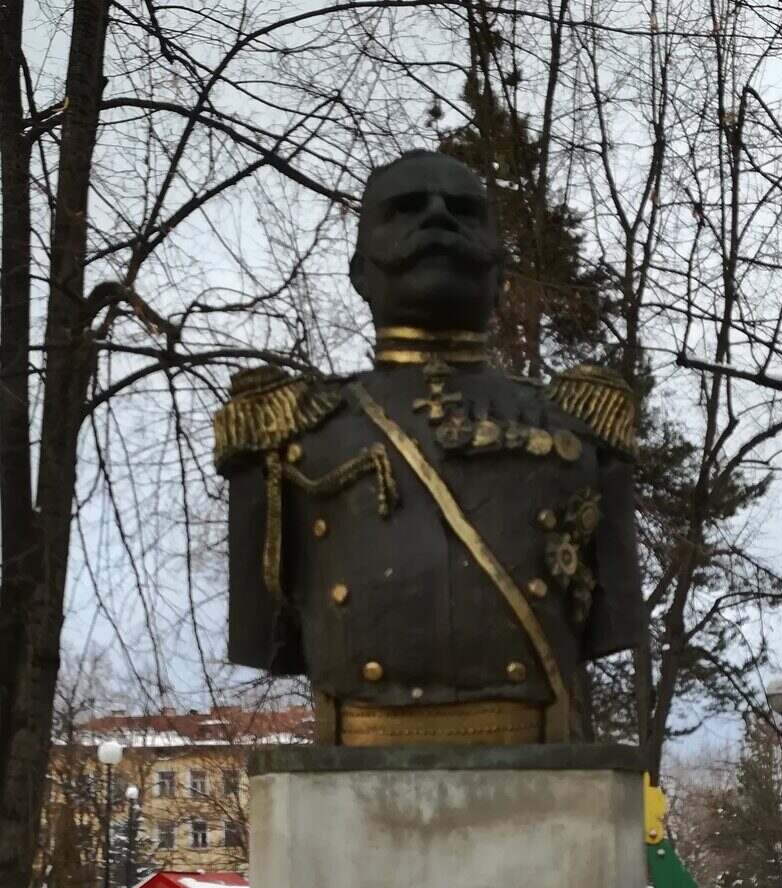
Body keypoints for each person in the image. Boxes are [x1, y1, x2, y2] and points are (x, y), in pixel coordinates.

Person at [214, 150, 645, 747]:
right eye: (406, 209)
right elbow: (266, 632)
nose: (439, 218)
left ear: (500, 272)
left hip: (534, 756)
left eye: (464, 211)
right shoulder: (281, 433)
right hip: (354, 765)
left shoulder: (584, 423)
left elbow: (609, 618)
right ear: (360, 272)